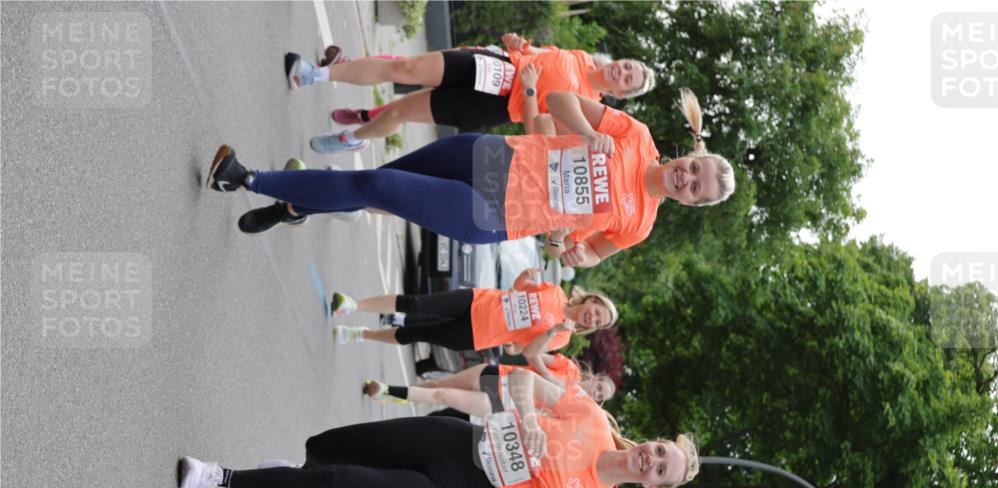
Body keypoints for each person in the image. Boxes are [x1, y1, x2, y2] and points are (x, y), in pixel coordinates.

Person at [177, 369, 700, 488]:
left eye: (660, 469)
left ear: (653, 487)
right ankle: (292, 473)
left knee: (333, 480)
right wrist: (531, 419)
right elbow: (517, 381)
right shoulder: (588, 414)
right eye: (659, 450)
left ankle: (218, 475)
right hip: (453, 442)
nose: (650, 459)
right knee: (326, 448)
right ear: (650, 441)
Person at [204, 88, 735, 265]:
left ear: (689, 203)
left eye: (695, 188)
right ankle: (295, 207)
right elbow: (557, 100)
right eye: (695, 168)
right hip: (486, 156)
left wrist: (573, 252)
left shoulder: (639, 224)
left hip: (494, 214)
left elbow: (589, 253)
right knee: (379, 188)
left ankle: (246, 178)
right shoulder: (634, 135)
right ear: (691, 154)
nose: (687, 178)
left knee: (375, 188)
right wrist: (583, 129)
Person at [284, 32, 656, 152]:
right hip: (490, 65)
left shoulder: (590, 111)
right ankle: (314, 74)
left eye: (629, 79)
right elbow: (532, 52)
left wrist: (528, 91)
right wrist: (517, 42)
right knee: (405, 68)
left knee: (398, 112)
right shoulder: (579, 56)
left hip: (491, 104)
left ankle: (350, 139)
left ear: (622, 96)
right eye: (627, 65)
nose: (622, 71)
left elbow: (535, 132)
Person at [327, 270, 617, 353]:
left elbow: (521, 352)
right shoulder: (554, 291)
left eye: (597, 322)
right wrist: (525, 278)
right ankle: (355, 305)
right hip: (478, 301)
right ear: (592, 301)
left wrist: (552, 331)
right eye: (597, 311)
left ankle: (360, 335)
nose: (592, 317)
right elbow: (516, 289)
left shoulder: (562, 339)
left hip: (477, 335)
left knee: (415, 333)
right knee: (417, 304)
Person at [362, 354, 616, 417]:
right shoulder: (568, 366)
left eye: (601, 396)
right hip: (500, 375)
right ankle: (400, 394)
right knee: (438, 383)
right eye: (600, 387)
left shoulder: (576, 408)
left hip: (503, 403)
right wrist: (548, 376)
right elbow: (532, 353)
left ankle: (387, 390)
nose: (597, 393)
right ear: (596, 378)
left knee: (443, 394)